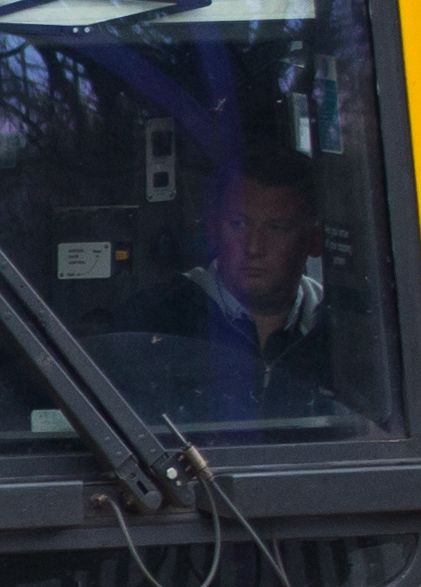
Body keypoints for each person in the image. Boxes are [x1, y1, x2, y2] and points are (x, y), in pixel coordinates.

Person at [115, 136, 339, 418]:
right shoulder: (152, 321)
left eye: (277, 228)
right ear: (213, 230)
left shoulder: (340, 331)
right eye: (239, 224)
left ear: (315, 241)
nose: (254, 247)